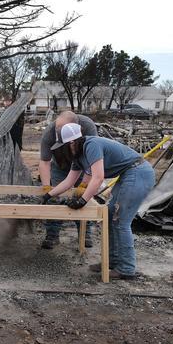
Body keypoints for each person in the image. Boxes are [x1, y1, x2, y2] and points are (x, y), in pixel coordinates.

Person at [42, 123, 155, 280]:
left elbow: (98, 177)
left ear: (72, 142)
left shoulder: (91, 145)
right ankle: (112, 262)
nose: (63, 150)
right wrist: (48, 195)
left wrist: (82, 200)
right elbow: (69, 181)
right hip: (128, 174)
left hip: (138, 172)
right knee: (109, 216)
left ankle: (126, 269)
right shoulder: (78, 156)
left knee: (120, 220)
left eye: (64, 146)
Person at [38, 111, 98, 249]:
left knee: (82, 196)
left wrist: (84, 184)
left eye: (62, 129)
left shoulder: (88, 126)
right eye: (57, 129)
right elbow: (44, 162)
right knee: (54, 198)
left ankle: (85, 234)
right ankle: (52, 235)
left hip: (82, 166)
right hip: (60, 167)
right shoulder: (49, 133)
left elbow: (92, 159)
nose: (58, 131)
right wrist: (47, 187)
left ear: (76, 127)